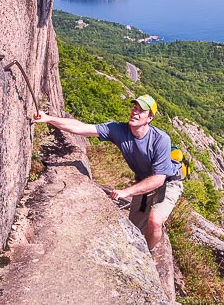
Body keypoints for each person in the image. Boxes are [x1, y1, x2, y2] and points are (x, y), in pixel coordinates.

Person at [32, 94, 183, 250]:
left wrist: (127, 192)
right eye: (134, 108)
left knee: (154, 221)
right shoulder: (119, 130)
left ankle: (150, 254)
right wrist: (48, 118)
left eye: (141, 111)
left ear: (150, 118)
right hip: (144, 181)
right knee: (135, 229)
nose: (135, 112)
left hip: (168, 182)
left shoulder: (160, 139)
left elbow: (158, 179)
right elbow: (81, 128)